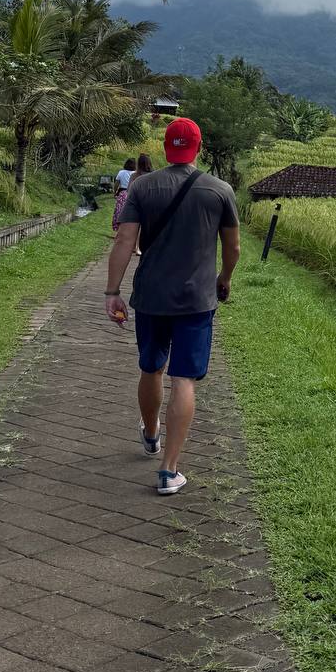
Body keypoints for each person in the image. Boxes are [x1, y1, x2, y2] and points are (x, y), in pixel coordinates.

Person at [104, 118, 241, 496]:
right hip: (196, 300)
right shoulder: (220, 190)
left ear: (167, 148)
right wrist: (225, 279)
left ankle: (150, 434)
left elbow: (124, 240)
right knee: (184, 379)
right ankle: (169, 471)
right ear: (198, 148)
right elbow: (233, 248)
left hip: (150, 296)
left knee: (151, 366)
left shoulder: (142, 186)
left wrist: (111, 292)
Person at [128, 154, 153, 256]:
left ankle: (135, 246)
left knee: (134, 226)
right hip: (149, 202)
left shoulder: (134, 176)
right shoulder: (153, 175)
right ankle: (139, 246)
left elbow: (129, 190)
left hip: (136, 203)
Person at [112, 159, 136, 235]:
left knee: (119, 211)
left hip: (122, 192)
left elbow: (116, 184)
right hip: (132, 193)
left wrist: (115, 192)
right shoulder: (135, 173)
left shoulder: (121, 172)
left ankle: (118, 229)